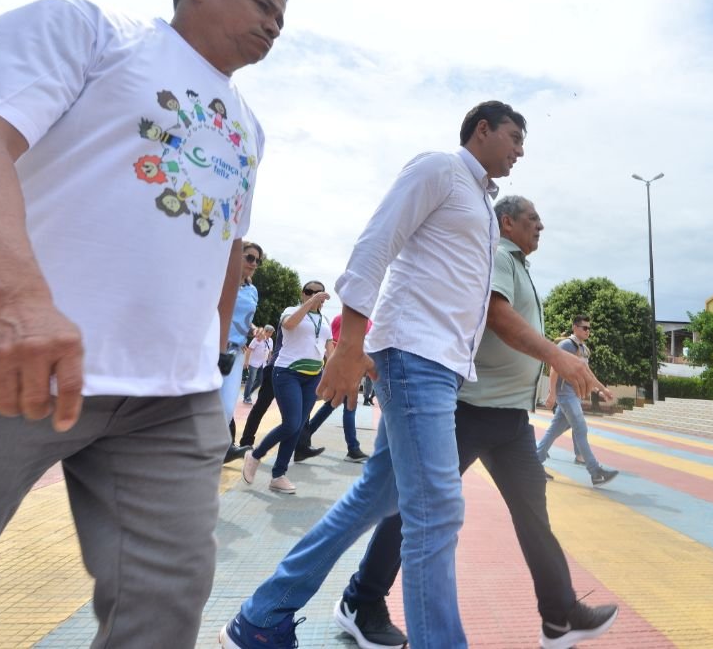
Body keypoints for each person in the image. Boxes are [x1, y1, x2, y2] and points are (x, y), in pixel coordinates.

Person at [0, 0, 286, 648]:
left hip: (171, 397)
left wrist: (212, 355)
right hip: (15, 366)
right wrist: (13, 299)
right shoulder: (90, 31)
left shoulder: (249, 125)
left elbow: (227, 245)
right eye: (263, 5)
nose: (274, 26)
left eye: (281, 19)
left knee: (166, 604)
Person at [221, 102, 605, 649]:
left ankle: (261, 618)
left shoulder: (479, 203)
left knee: (375, 499)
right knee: (438, 512)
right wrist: (349, 345)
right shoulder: (438, 169)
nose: (521, 150)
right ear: (482, 129)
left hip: (442, 370)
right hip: (413, 358)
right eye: (515, 137)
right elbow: (375, 245)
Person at [331, 196, 618, 649]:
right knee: (415, 508)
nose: (541, 225)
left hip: (509, 418)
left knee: (532, 511)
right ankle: (361, 600)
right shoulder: (499, 254)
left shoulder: (518, 264)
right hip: (469, 407)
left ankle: (560, 615)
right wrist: (557, 356)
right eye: (532, 218)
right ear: (507, 222)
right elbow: (498, 316)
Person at [243, 281, 334, 494]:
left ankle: (278, 475)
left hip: (313, 377)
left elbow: (330, 350)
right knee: (291, 423)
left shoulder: (325, 320)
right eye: (309, 292)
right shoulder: (291, 311)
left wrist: (331, 378)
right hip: (287, 372)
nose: (314, 295)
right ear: (303, 294)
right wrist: (310, 303)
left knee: (298, 425)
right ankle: (255, 455)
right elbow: (289, 325)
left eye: (319, 293)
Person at [536, 314, 620, 486]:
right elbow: (554, 368)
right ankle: (596, 472)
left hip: (573, 395)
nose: (588, 331)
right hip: (565, 395)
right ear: (575, 327)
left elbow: (587, 375)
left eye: (589, 328)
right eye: (584, 328)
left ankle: (534, 463)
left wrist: (601, 390)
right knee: (580, 429)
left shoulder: (583, 349)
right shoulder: (567, 345)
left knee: (554, 430)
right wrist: (552, 393)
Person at [297, 313, 371, 463]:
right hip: (346, 370)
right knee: (349, 407)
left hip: (347, 368)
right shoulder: (353, 320)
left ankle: (303, 439)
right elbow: (336, 344)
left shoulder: (352, 319)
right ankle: (353, 448)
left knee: (331, 405)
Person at [223, 241, 265, 461]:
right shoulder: (220, 279)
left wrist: (254, 329)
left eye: (258, 260)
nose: (254, 263)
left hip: (236, 353)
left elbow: (245, 320)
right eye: (250, 257)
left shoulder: (252, 290)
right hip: (213, 349)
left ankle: (219, 450)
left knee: (227, 407)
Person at [242, 324, 275, 404]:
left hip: (263, 363)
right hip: (253, 362)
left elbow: (270, 352)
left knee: (260, 380)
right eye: (269, 332)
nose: (271, 334)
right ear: (265, 331)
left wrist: (270, 363)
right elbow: (249, 350)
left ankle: (248, 393)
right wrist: (246, 362)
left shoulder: (270, 341)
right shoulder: (257, 339)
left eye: (271, 333)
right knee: (251, 379)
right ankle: (246, 397)